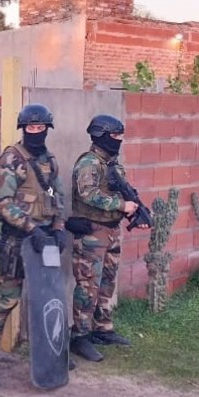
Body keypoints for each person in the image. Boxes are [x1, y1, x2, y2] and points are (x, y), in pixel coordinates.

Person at [0, 103, 70, 388]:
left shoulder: (49, 160)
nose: (35, 132)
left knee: (50, 298)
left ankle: (52, 354)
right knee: (6, 302)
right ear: (23, 129)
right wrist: (31, 227)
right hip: (18, 242)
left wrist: (59, 228)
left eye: (40, 128)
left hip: (45, 242)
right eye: (30, 128)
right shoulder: (11, 159)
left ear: (47, 129)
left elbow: (58, 198)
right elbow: (1, 202)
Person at [66, 114, 142, 363]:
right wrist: (122, 205)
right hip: (92, 233)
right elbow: (88, 194)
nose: (119, 140)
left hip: (111, 231)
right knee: (88, 285)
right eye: (115, 136)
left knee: (107, 283)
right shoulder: (89, 164)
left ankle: (103, 328)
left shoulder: (113, 164)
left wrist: (134, 209)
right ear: (101, 135)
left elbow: (122, 189)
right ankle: (80, 336)